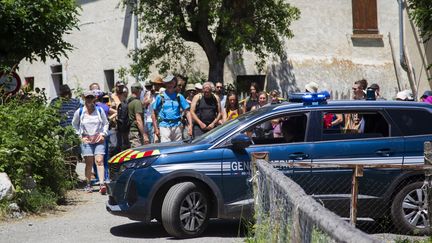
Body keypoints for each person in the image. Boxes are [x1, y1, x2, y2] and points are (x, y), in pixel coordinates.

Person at [72, 90, 109, 194]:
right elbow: (74, 124)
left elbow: (106, 123)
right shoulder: (80, 111)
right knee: (89, 162)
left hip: (98, 139)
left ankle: (102, 184)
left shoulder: (99, 110)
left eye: (91, 97)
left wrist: (103, 134)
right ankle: (88, 184)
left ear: (94, 99)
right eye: (87, 97)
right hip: (86, 140)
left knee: (99, 161)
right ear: (84, 98)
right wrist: (80, 136)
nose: (89, 99)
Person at [152, 74, 192, 143]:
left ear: (175, 83)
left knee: (177, 148)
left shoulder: (179, 96)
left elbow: (187, 112)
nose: (169, 84)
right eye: (168, 83)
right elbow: (153, 113)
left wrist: (190, 126)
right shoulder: (160, 96)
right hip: (164, 126)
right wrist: (156, 128)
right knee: (166, 148)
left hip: (177, 126)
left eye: (171, 82)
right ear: (165, 84)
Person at [128, 82, 149, 147]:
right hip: (136, 132)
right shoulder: (137, 102)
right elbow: (139, 120)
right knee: (137, 153)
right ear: (139, 90)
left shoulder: (129, 100)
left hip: (130, 131)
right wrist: (144, 134)